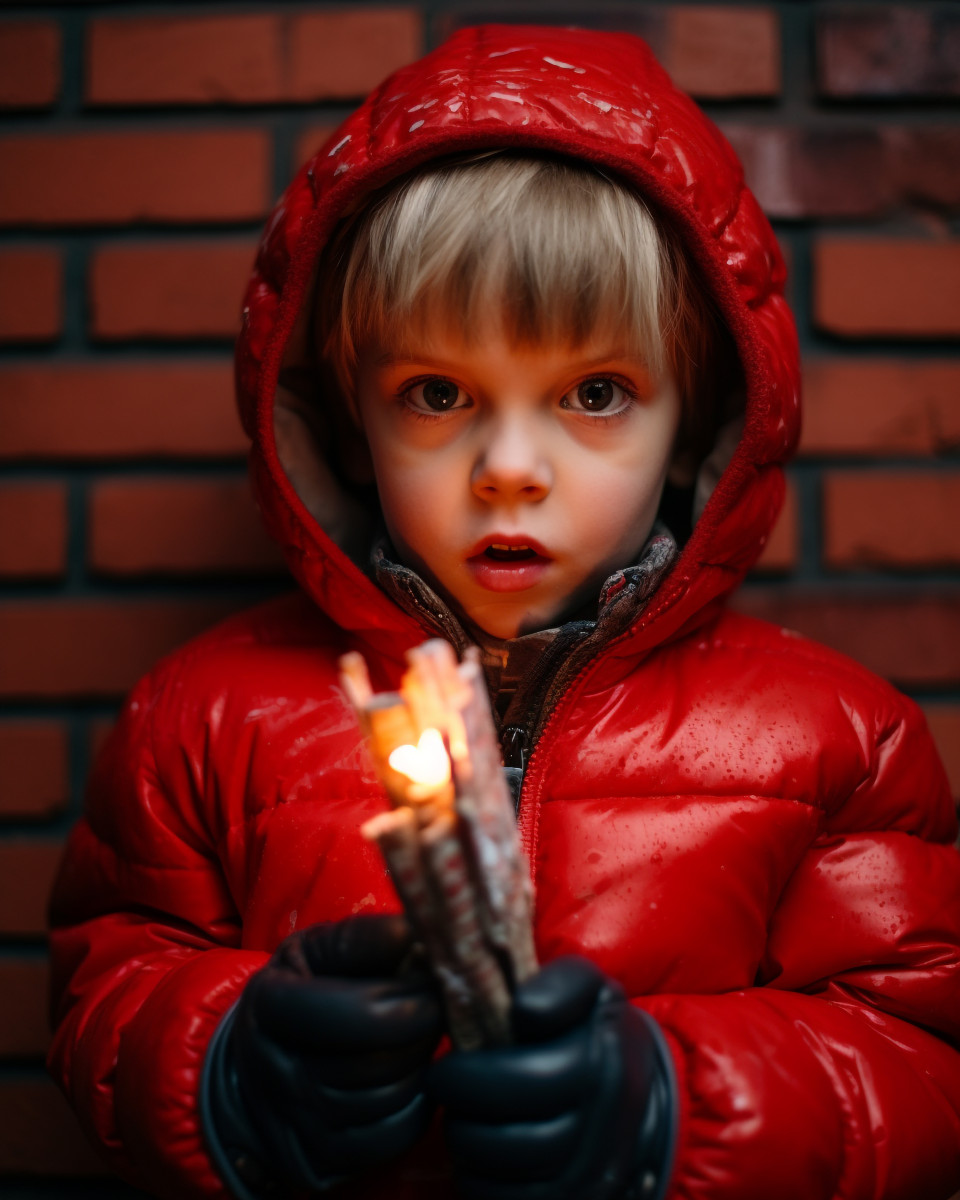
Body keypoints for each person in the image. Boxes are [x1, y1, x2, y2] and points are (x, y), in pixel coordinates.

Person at [46, 23, 960, 1200]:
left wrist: (674, 1107)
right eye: (437, 393)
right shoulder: (202, 720)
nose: (509, 468)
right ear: (344, 419)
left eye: (594, 392)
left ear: (694, 418)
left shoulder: (841, 740)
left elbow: (919, 1055)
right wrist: (230, 1066)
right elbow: (106, 976)